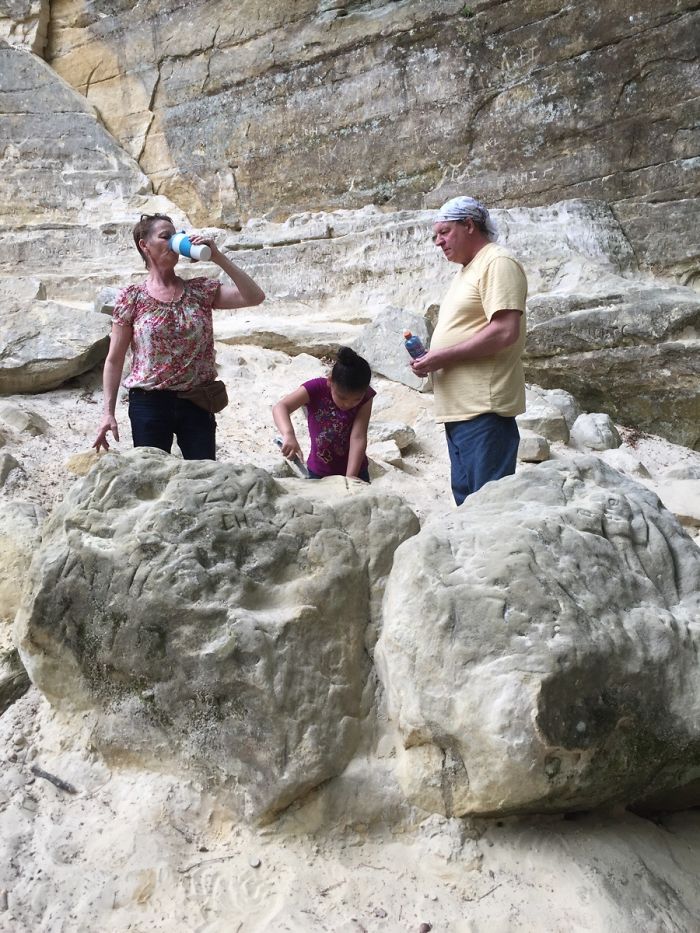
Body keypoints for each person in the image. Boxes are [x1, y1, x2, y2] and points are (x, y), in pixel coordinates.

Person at [93, 213, 265, 460]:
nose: (174, 241)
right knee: (152, 477)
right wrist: (108, 413)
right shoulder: (132, 297)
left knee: (203, 478)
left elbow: (254, 297)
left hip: (197, 400)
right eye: (166, 236)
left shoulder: (200, 290)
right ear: (145, 245)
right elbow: (114, 359)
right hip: (148, 403)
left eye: (176, 235)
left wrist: (217, 256)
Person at [411, 196, 527, 504]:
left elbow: (505, 331)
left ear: (469, 225)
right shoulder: (469, 270)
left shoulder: (497, 262)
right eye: (436, 235)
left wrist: (440, 356)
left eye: (444, 232)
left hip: (484, 412)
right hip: (461, 412)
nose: (438, 242)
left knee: (488, 507)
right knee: (468, 506)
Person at [273, 347, 375, 481]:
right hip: (319, 470)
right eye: (342, 398)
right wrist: (289, 434)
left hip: (356, 470)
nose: (348, 404)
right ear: (330, 381)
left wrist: (351, 477)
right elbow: (281, 407)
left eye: (356, 399)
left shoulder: (366, 396)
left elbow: (358, 437)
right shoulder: (316, 388)